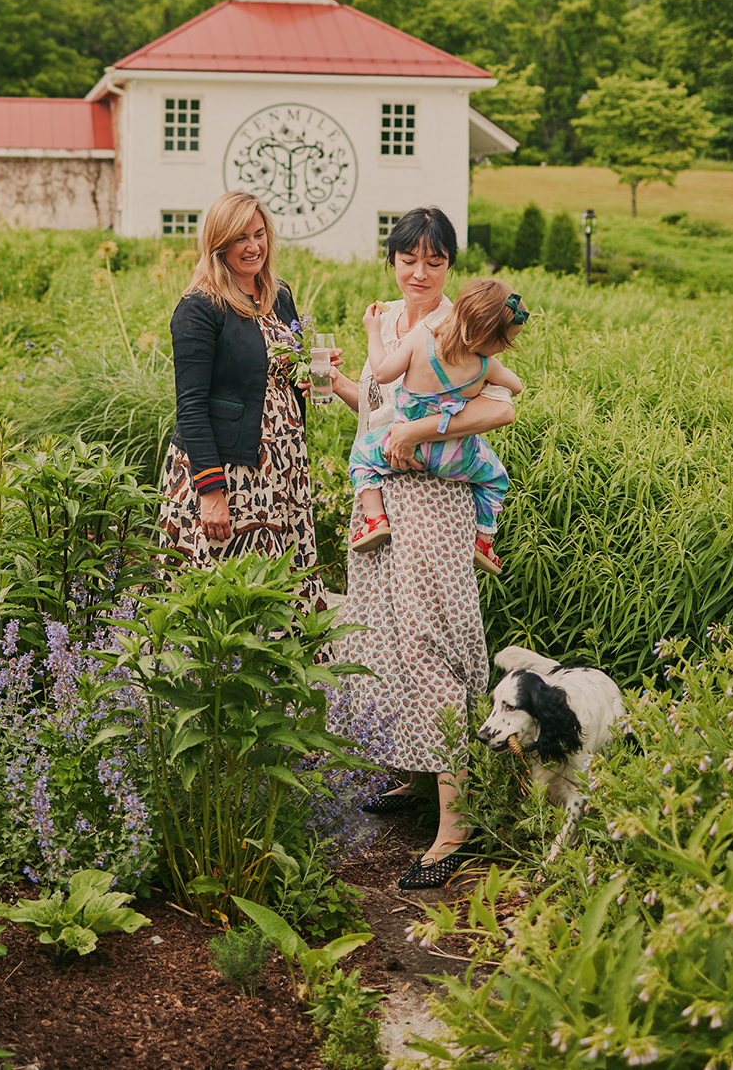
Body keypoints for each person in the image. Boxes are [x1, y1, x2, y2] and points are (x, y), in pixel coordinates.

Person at [325, 207, 516, 890]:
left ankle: (456, 825)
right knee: (381, 636)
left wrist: (424, 433)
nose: (420, 271)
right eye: (409, 258)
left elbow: (502, 407)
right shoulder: (389, 322)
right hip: (381, 502)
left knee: (429, 642)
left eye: (434, 261)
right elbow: (383, 418)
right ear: (393, 260)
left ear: (449, 268)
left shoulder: (457, 328)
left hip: (434, 504)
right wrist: (341, 389)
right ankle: (411, 778)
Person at [160, 191, 323, 604]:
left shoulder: (279, 295)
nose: (253, 247)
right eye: (240, 238)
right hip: (230, 473)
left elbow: (283, 366)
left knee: (281, 585)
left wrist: (310, 372)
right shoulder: (200, 307)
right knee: (222, 591)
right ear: (218, 245)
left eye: (259, 234)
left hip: (282, 468)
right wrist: (211, 491)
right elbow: (191, 406)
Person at [349, 278, 527, 572]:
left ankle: (375, 519)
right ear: (489, 339)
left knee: (360, 456)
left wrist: (373, 331)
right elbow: (516, 386)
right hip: (455, 456)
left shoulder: (421, 340)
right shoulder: (486, 366)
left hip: (403, 447)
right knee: (495, 477)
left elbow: (381, 372)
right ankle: (483, 540)